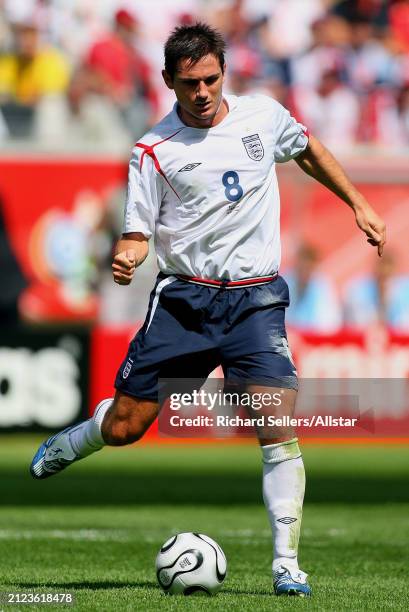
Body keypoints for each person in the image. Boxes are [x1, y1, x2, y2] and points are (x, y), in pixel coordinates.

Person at [30, 23, 386, 597]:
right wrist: (128, 252)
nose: (203, 92)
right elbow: (137, 231)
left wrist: (359, 203)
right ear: (169, 81)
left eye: (212, 79)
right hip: (184, 304)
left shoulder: (263, 118)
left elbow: (308, 149)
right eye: (190, 82)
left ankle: (286, 563)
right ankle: (77, 439)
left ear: (225, 73)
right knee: (126, 427)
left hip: (255, 301)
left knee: (276, 427)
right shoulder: (153, 151)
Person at [285, 243, 342, 333]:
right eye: (301, 267)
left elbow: (331, 323)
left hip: (315, 339)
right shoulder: (285, 284)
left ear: (314, 267)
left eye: (308, 268)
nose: (304, 272)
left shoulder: (323, 287)